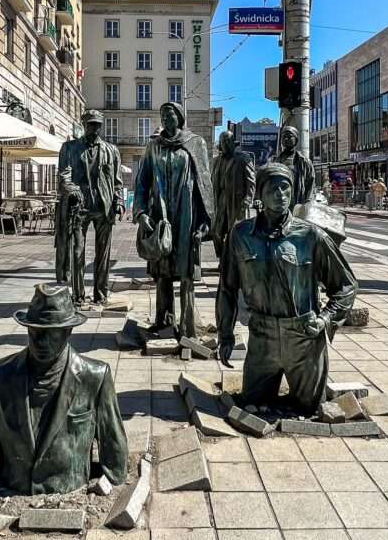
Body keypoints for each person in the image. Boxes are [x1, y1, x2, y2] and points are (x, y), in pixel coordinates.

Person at [216, 163, 358, 413]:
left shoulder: (311, 236)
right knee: (253, 404)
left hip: (304, 338)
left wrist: (325, 319)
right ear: (260, 194)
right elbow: (227, 288)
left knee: (310, 409)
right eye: (273, 188)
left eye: (285, 187)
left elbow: (346, 285)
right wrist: (225, 334)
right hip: (262, 338)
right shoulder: (240, 235)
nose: (280, 194)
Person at [0, 283, 128, 495]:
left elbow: (114, 448)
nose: (41, 341)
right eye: (35, 331)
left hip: (69, 487)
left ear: (68, 331)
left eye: (51, 333)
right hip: (14, 485)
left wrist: (110, 482)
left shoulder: (94, 377)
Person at [134, 102, 214, 338]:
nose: (166, 119)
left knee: (186, 271)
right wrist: (141, 213)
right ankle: (164, 322)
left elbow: (205, 183)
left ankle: (188, 327)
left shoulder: (195, 143)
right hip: (161, 216)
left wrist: (206, 220)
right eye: (162, 115)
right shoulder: (154, 146)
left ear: (180, 117)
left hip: (187, 214)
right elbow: (142, 182)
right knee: (163, 271)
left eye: (170, 114)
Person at [58, 110, 123, 305]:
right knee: (77, 251)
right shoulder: (69, 148)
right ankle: (78, 296)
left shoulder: (112, 150)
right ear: (84, 125)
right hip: (79, 208)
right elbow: (64, 176)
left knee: (103, 254)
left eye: (97, 125)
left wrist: (119, 201)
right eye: (91, 125)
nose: (95, 128)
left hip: (104, 207)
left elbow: (117, 181)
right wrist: (72, 188)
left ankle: (101, 294)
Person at [211, 130, 256, 258]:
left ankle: (235, 260)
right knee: (216, 232)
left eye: (228, 141)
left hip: (237, 201)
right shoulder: (217, 160)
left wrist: (248, 198)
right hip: (221, 199)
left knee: (236, 231)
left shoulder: (243, 158)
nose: (225, 143)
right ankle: (222, 258)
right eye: (223, 141)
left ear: (233, 143)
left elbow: (251, 181)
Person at [273, 126, 315, 208]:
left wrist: (308, 200)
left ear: (296, 139)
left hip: (297, 201)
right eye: (284, 137)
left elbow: (311, 182)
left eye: (289, 136)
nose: (286, 139)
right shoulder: (275, 161)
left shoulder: (304, 161)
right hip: (280, 200)